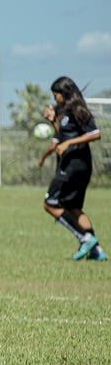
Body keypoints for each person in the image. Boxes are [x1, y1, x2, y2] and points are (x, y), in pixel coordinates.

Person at [37, 76, 105, 261]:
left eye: (56, 95)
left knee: (50, 203)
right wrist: (53, 121)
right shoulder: (64, 112)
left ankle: (85, 238)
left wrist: (69, 145)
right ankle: (97, 252)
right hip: (74, 164)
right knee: (74, 207)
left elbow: (95, 134)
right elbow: (64, 136)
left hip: (75, 164)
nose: (55, 99)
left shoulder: (78, 109)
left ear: (64, 93)